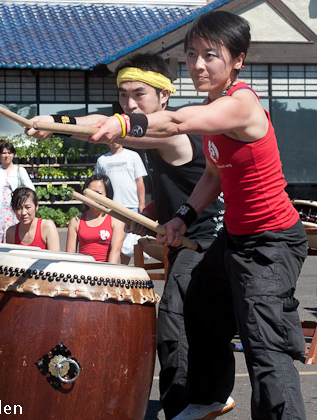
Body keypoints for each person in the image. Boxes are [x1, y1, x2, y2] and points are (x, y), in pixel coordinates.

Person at [90, 11, 308, 420]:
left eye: (211, 55)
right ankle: (209, 396)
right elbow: (213, 174)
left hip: (272, 242)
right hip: (235, 237)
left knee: (264, 344)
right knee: (199, 306)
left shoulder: (240, 104)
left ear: (237, 60)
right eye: (191, 55)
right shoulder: (213, 106)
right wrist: (183, 216)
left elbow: (176, 121)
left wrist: (123, 121)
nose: (198, 65)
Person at [25, 53, 224, 419]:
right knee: (197, 322)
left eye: (139, 94)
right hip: (185, 237)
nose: (129, 104)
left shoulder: (171, 132)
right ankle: (203, 397)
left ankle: (187, 406)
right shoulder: (145, 129)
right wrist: (149, 214)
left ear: (164, 96)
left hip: (208, 241)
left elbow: (106, 122)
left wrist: (57, 122)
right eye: (123, 95)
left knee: (174, 321)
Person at [94, 142, 147, 264]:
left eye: (118, 138)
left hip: (130, 206)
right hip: (110, 208)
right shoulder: (102, 160)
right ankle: (111, 269)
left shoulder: (133, 156)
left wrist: (142, 203)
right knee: (111, 241)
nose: (115, 141)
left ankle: (124, 269)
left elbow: (139, 181)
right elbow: (98, 184)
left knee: (126, 245)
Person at [66, 174, 125, 263]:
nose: (94, 198)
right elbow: (70, 256)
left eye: (98, 194)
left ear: (107, 195)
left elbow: (115, 251)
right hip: (83, 272)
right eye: (90, 194)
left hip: (106, 271)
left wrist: (108, 275)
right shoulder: (76, 221)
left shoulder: (116, 221)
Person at [0, 142, 35, 243]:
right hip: (0, 213)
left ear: (13, 154)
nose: (6, 156)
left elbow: (31, 189)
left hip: (16, 212)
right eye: (3, 153)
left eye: (9, 153)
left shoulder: (20, 171)